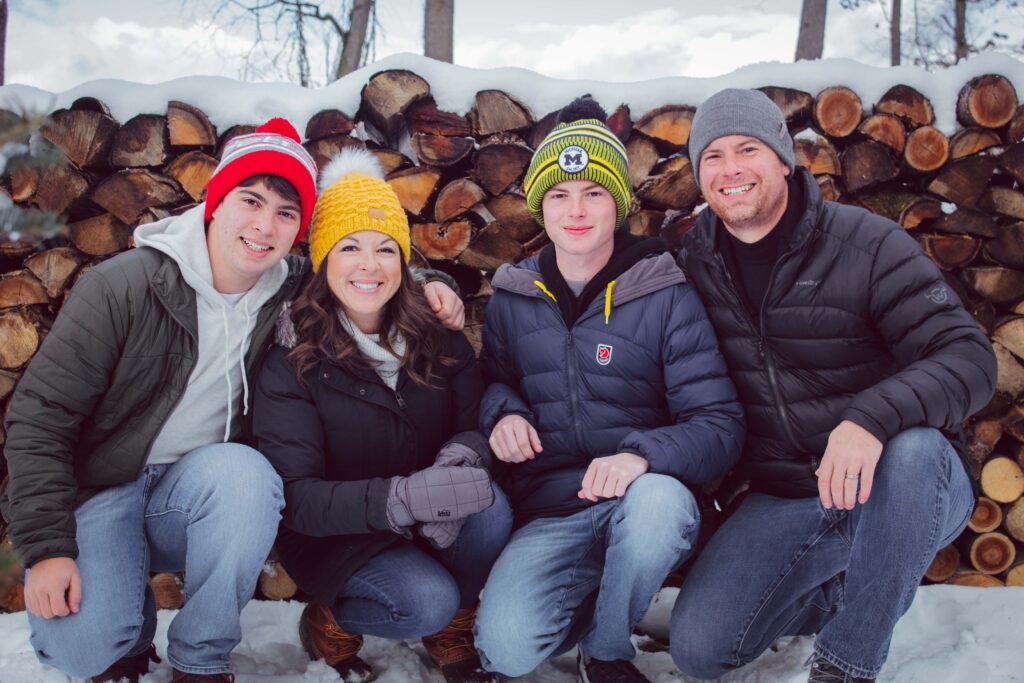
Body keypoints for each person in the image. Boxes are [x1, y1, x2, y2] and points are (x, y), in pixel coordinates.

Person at [0, 119, 464, 683]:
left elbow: (362, 264)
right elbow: (38, 419)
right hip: (105, 489)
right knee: (84, 650)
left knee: (246, 472)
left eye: (286, 214)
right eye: (251, 201)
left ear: (299, 232)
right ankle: (123, 622)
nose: (264, 226)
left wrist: (433, 283)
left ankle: (202, 658)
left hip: (205, 491)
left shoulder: (290, 286)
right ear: (216, 201)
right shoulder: (123, 286)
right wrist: (48, 548)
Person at [670, 88, 997, 683]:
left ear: (783, 158)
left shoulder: (865, 245)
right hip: (789, 492)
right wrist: (438, 285)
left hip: (898, 482)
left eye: (748, 149)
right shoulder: (691, 263)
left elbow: (969, 357)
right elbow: (590, 265)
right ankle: (871, 576)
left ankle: (846, 664)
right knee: (700, 649)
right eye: (712, 156)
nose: (730, 169)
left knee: (915, 448)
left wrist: (869, 419)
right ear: (698, 174)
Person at [472, 97, 744, 683]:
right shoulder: (514, 296)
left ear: (617, 204)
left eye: (593, 193)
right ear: (540, 207)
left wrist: (639, 457)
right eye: (559, 195)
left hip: (644, 501)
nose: (576, 210)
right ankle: (598, 594)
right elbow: (491, 381)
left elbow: (720, 424)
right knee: (508, 650)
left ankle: (608, 651)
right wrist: (503, 414)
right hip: (550, 511)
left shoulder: (665, 291)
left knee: (655, 507)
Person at [252, 147, 512, 683]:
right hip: (338, 535)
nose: (369, 266)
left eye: (384, 249)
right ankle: (331, 619)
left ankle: (453, 627)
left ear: (403, 260)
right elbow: (296, 497)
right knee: (424, 600)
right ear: (323, 261)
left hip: (431, 512)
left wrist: (464, 456)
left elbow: (473, 420)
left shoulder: (437, 332)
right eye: (349, 248)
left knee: (491, 508)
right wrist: (401, 498)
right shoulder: (293, 355)